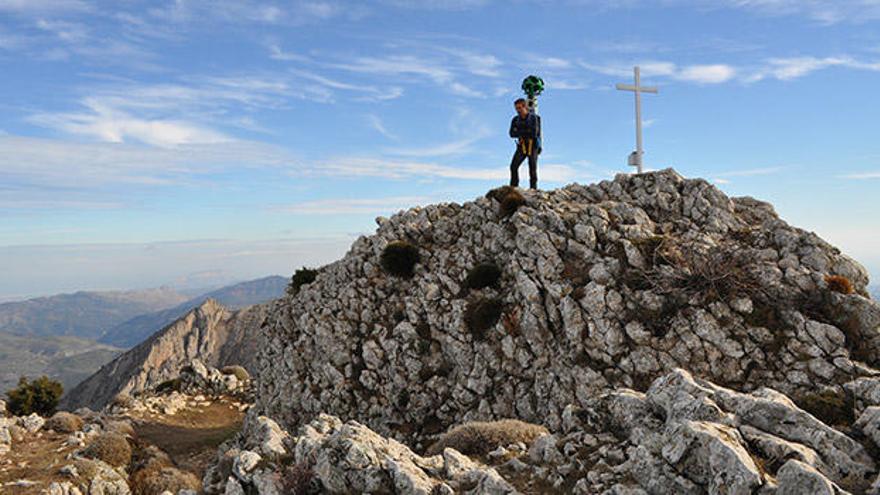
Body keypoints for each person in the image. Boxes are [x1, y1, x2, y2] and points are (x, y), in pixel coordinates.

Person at [508, 98, 541, 190]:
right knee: (513, 166)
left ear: (525, 107)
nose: (517, 110)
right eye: (516, 108)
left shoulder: (534, 118)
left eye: (519, 108)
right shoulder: (515, 120)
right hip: (521, 146)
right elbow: (511, 134)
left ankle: (533, 189)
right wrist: (526, 131)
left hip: (533, 145)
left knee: (532, 167)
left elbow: (534, 133)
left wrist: (519, 131)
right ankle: (514, 187)